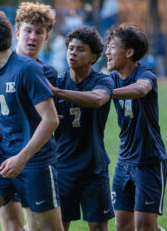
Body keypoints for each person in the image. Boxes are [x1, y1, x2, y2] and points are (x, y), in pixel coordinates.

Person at [0, 7, 62, 231]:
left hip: (35, 162)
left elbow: (51, 119)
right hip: (2, 160)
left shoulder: (28, 70)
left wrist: (22, 158)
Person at [48, 27, 114, 231]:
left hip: (93, 168)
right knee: (59, 226)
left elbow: (97, 99)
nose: (73, 53)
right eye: (70, 48)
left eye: (80, 49)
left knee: (98, 228)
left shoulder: (102, 81)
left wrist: (59, 93)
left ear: (94, 56)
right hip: (62, 168)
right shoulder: (57, 81)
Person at [105, 24, 167, 231]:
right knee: (121, 224)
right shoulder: (111, 79)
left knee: (145, 227)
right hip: (124, 161)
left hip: (148, 160)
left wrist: (109, 93)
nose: (107, 52)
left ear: (129, 52)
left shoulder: (145, 75)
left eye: (113, 47)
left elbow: (141, 89)